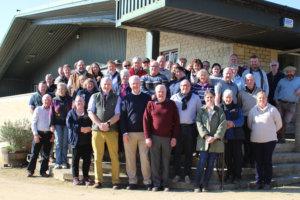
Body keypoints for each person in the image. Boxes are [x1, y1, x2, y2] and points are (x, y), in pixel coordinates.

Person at [143, 85, 180, 192]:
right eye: (159, 92)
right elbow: (146, 121)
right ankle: (156, 184)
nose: (161, 94)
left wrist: (174, 137)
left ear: (166, 92)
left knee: (165, 161)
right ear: (155, 93)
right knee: (154, 162)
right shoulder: (151, 104)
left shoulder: (171, 104)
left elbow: (176, 122)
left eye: (163, 91)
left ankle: (165, 184)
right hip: (154, 137)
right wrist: (147, 137)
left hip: (167, 138)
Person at [88, 77, 121, 189]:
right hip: (97, 131)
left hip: (111, 131)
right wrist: (99, 124)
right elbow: (90, 112)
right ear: (100, 85)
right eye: (104, 84)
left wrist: (107, 124)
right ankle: (98, 181)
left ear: (111, 85)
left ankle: (115, 181)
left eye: (108, 84)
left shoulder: (117, 97)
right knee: (97, 156)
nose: (106, 86)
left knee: (114, 157)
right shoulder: (94, 96)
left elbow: (117, 115)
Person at [120, 75, 152, 190]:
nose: (135, 85)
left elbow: (150, 116)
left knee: (145, 159)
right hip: (129, 134)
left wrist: (149, 134)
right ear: (130, 85)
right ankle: (132, 181)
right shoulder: (126, 98)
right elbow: (122, 117)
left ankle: (147, 182)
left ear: (140, 84)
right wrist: (124, 132)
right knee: (130, 158)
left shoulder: (147, 98)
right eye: (133, 83)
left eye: (137, 83)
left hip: (144, 134)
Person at [248, 91, 282, 190]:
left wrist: (270, 131)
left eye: (263, 98)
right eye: (259, 98)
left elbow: (279, 124)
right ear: (257, 100)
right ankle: (258, 181)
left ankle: (267, 182)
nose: (261, 100)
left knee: (267, 161)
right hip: (256, 141)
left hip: (269, 141)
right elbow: (250, 124)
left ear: (266, 99)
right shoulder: (253, 110)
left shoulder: (273, 110)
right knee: (258, 162)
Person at [194, 90, 226, 192]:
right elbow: (198, 123)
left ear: (214, 98)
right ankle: (197, 183)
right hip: (204, 141)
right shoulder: (201, 111)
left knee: (211, 162)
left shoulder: (219, 111)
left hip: (215, 142)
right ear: (205, 99)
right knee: (202, 162)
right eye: (207, 98)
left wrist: (215, 137)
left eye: (211, 97)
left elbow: (223, 124)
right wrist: (206, 136)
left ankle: (205, 183)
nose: (209, 99)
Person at [171, 79, 202, 183]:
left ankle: (187, 175)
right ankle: (177, 174)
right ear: (180, 86)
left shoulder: (195, 98)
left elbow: (199, 113)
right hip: (177, 128)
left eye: (187, 85)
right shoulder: (174, 98)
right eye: (183, 85)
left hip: (190, 128)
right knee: (177, 153)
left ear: (190, 87)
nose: (185, 87)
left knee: (189, 152)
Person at [66, 95, 93, 186]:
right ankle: (75, 177)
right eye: (78, 101)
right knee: (75, 160)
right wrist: (80, 129)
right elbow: (69, 124)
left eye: (81, 101)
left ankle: (85, 177)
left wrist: (90, 128)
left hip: (87, 141)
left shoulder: (88, 112)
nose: (80, 103)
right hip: (76, 140)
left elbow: (93, 122)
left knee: (87, 160)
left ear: (84, 103)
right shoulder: (71, 113)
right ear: (75, 103)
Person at [219, 90, 244, 184]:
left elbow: (241, 120)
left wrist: (233, 123)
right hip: (226, 137)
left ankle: (237, 176)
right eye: (226, 97)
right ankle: (229, 174)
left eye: (230, 97)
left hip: (236, 136)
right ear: (223, 98)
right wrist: (225, 124)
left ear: (232, 98)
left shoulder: (237, 108)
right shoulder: (220, 108)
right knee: (228, 158)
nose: (228, 99)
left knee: (237, 157)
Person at [27, 94, 55, 177]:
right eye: (45, 99)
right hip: (39, 133)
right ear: (42, 101)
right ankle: (30, 171)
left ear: (51, 101)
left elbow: (54, 123)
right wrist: (35, 134)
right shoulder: (38, 109)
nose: (47, 101)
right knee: (34, 153)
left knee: (46, 154)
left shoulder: (52, 110)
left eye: (49, 100)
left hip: (48, 134)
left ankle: (43, 171)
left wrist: (53, 135)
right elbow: (33, 122)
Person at [238, 74, 261, 167]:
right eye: (247, 80)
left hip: (257, 118)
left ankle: (253, 160)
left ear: (254, 80)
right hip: (246, 118)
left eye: (251, 79)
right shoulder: (241, 92)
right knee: (247, 141)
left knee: (255, 140)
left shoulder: (259, 91)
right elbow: (239, 105)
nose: (249, 81)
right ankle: (247, 160)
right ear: (245, 81)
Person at [274, 66, 300, 143]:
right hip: (281, 103)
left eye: (291, 72)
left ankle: (278, 134)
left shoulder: (299, 79)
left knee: (286, 121)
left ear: (294, 72)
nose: (289, 73)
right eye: (288, 72)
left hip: (292, 104)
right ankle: (281, 137)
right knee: (278, 120)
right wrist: (276, 99)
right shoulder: (282, 80)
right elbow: (277, 90)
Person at [50, 83, 73, 169]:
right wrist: (51, 124)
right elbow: (51, 113)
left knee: (65, 143)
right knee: (59, 143)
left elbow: (72, 112)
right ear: (57, 90)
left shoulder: (70, 99)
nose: (61, 91)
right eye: (59, 89)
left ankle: (64, 162)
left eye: (63, 89)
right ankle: (57, 162)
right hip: (58, 124)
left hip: (67, 124)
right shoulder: (54, 100)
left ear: (66, 90)